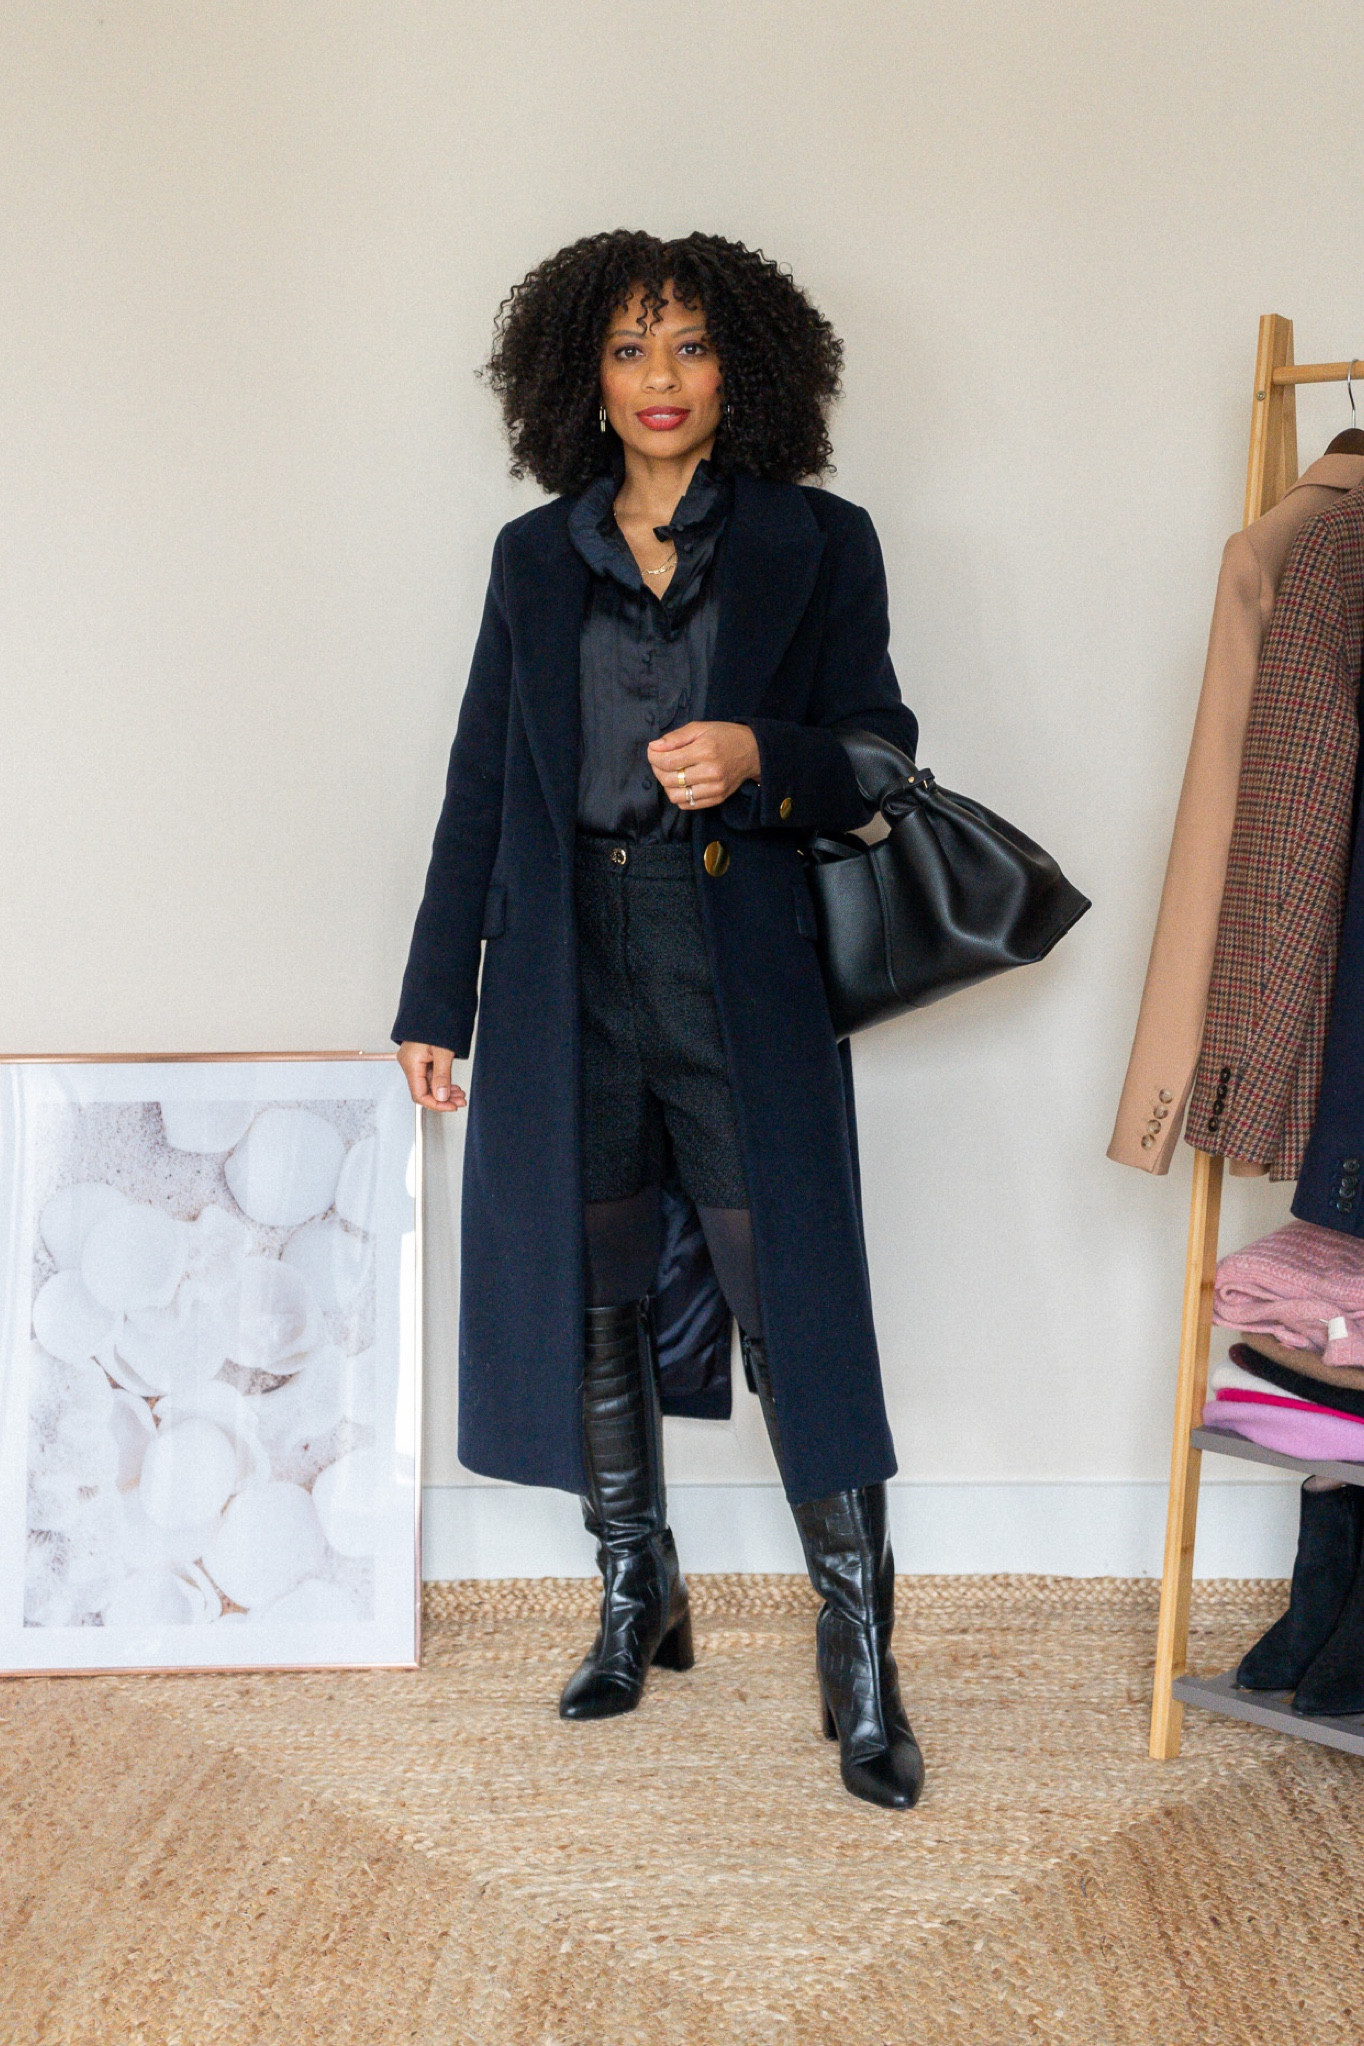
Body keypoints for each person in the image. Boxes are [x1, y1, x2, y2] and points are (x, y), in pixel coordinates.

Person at [394, 230, 924, 1809]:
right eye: (630, 350)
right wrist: (435, 997)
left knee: (792, 1297)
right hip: (567, 967)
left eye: (689, 345)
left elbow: (880, 754)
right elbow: (481, 784)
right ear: (584, 378)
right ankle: (638, 1589)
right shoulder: (532, 557)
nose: (662, 379)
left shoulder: (818, 541)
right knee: (595, 1288)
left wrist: (760, 753)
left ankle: (861, 1655)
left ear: (741, 368)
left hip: (735, 960)